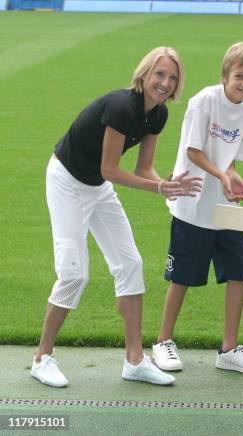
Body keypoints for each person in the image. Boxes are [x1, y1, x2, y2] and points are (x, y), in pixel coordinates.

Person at [32, 47, 202, 388]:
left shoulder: (159, 115)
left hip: (96, 186)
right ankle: (42, 358)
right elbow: (110, 169)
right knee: (73, 274)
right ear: (144, 74)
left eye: (172, 77)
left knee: (130, 264)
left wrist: (164, 184)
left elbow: (143, 168)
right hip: (66, 180)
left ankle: (135, 360)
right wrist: (158, 189)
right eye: (159, 74)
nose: (165, 83)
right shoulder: (121, 106)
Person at [152, 43, 243, 376]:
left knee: (237, 274)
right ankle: (163, 341)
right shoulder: (205, 100)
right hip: (192, 202)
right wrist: (221, 174)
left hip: (225, 206)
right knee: (182, 277)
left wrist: (232, 176)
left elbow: (230, 156)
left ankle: (229, 349)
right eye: (239, 76)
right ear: (224, 75)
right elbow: (193, 151)